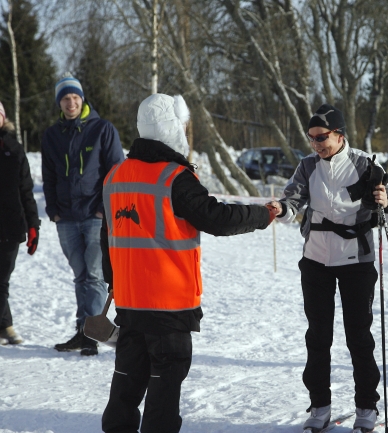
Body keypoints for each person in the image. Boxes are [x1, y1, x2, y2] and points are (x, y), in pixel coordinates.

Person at [100, 93, 278, 433]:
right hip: (169, 307)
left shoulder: (115, 176)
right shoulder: (174, 178)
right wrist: (262, 215)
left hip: (130, 304)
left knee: (126, 384)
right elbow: (217, 217)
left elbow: (106, 239)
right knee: (164, 393)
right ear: (172, 129)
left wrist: (114, 280)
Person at [267, 104, 388, 433]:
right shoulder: (308, 165)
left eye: (322, 138)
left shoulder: (366, 165)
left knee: (358, 336)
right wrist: (280, 209)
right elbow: (293, 200)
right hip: (316, 260)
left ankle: (367, 407)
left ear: (340, 134)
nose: (316, 144)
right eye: (311, 138)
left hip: (356, 261)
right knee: (317, 336)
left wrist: (386, 202)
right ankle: (319, 405)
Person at [41, 73, 124, 356]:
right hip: (66, 217)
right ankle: (83, 330)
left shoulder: (102, 129)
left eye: (75, 97)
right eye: (65, 98)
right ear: (59, 102)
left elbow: (116, 171)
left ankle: (91, 334)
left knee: (94, 276)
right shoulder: (52, 135)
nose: (71, 102)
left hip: (95, 215)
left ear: (82, 99)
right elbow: (48, 174)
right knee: (80, 276)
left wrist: (105, 207)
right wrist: (53, 210)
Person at [0, 95, 39, 346]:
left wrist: (33, 226)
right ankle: (5, 326)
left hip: (10, 226)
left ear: (3, 117)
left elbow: (26, 190)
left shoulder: (14, 148)